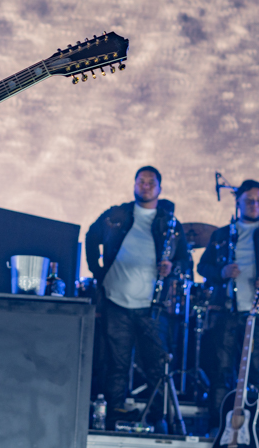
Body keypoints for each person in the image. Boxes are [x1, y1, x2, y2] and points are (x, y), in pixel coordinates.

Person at [85, 166, 192, 430]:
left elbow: (186, 261)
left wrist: (172, 269)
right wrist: (98, 271)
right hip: (116, 301)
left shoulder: (170, 224)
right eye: (141, 181)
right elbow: (90, 236)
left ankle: (159, 418)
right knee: (116, 364)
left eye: (151, 182)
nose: (145, 186)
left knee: (157, 365)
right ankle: (114, 415)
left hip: (153, 307)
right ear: (134, 185)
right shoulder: (117, 214)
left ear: (160, 188)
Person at [197, 179, 259, 418]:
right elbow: (202, 266)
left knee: (256, 372)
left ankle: (255, 425)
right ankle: (218, 424)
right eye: (249, 200)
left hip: (257, 312)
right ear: (238, 202)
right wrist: (221, 272)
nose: (254, 205)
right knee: (221, 370)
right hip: (226, 311)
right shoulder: (222, 234)